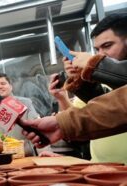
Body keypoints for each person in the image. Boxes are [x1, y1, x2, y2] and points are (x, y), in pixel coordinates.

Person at [48, 13, 127, 164]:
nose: (101, 54)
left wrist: (95, 65)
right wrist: (80, 79)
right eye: (97, 50)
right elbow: (109, 108)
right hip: (101, 168)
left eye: (107, 46)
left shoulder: (101, 71)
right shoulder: (101, 77)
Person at [22, 84, 127, 146]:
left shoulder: (104, 87)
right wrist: (61, 124)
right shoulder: (81, 94)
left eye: (107, 45)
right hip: (98, 162)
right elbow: (80, 115)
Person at [0, 73, 40, 156]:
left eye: (3, 83)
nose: (0, 86)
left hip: (24, 154)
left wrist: (45, 154)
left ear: (11, 86)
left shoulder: (26, 103)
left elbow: (37, 129)